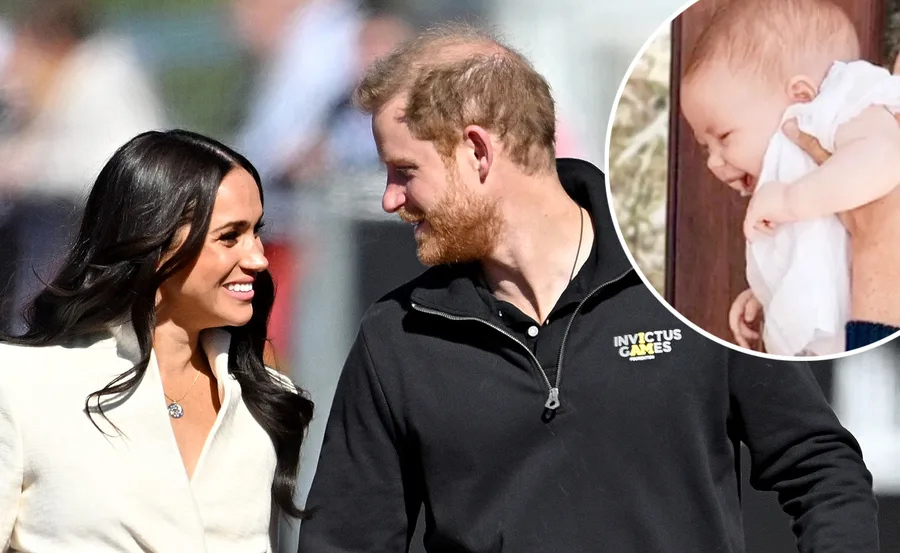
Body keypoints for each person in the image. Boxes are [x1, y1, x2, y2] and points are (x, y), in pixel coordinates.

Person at [295, 23, 878, 553]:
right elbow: (345, 543)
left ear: (477, 151)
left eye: (404, 171)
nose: (390, 199)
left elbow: (821, 469)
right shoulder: (397, 335)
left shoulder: (687, 284)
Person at [0, 130, 313, 552]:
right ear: (155, 242)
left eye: (256, 231)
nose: (258, 257)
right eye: (229, 236)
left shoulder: (268, 401)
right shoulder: (21, 385)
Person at [680, 0, 900, 354]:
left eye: (724, 137)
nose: (713, 163)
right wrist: (773, 288)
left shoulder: (839, 103)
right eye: (706, 148)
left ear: (800, 95)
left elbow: (886, 160)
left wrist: (789, 200)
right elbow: (828, 243)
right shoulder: (798, 164)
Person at [0, 0, 164, 334]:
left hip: (95, 270)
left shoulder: (103, 75)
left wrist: (30, 171)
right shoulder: (53, 92)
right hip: (45, 267)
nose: (13, 69)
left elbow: (126, 168)